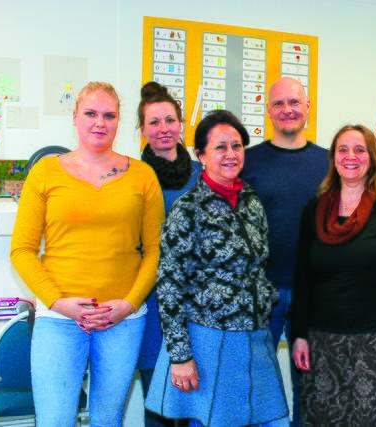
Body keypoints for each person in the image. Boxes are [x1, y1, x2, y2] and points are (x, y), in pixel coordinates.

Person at [10, 82, 165, 426]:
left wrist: (128, 304)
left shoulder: (142, 176)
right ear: (75, 117)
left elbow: (156, 250)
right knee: (54, 419)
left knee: (108, 419)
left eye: (109, 115)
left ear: (119, 120)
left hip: (122, 318)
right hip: (59, 316)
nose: (100, 122)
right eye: (91, 113)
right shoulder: (45, 172)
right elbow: (21, 249)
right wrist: (57, 301)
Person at [145, 110, 288, 427]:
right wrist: (181, 357)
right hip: (208, 339)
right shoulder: (188, 208)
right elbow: (169, 286)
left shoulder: (251, 201)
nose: (231, 154)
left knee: (273, 420)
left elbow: (258, 267)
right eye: (220, 147)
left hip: (254, 336)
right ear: (201, 155)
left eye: (237, 146)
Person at [291, 124, 376, 426]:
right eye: (343, 150)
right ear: (333, 158)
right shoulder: (316, 207)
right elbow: (303, 277)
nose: (351, 157)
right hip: (322, 342)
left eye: (360, 150)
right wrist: (298, 335)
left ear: (372, 157)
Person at [241, 77, 328, 427]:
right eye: (278, 104)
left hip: (315, 294)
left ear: (308, 107)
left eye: (294, 102)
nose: (287, 109)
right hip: (263, 294)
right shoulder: (247, 162)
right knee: (258, 385)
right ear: (268, 112)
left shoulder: (329, 163)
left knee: (309, 388)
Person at [138, 81, 202, 427]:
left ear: (181, 124)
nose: (163, 129)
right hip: (151, 305)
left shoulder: (202, 176)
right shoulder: (134, 177)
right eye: (154, 122)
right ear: (143, 129)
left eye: (170, 120)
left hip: (197, 305)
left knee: (197, 404)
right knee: (158, 405)